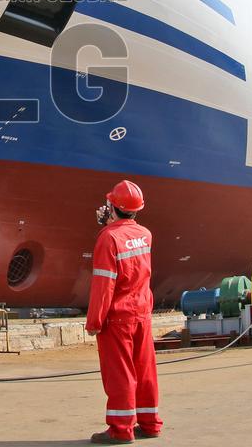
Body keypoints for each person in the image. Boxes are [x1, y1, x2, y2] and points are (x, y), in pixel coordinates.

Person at [85, 180, 162, 444]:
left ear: (113, 207)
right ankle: (150, 424)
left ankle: (120, 429)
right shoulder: (145, 234)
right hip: (141, 313)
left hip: (117, 318)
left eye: (108, 204)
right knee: (145, 371)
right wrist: (112, 225)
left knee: (120, 374)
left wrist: (95, 320)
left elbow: (104, 283)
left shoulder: (108, 238)